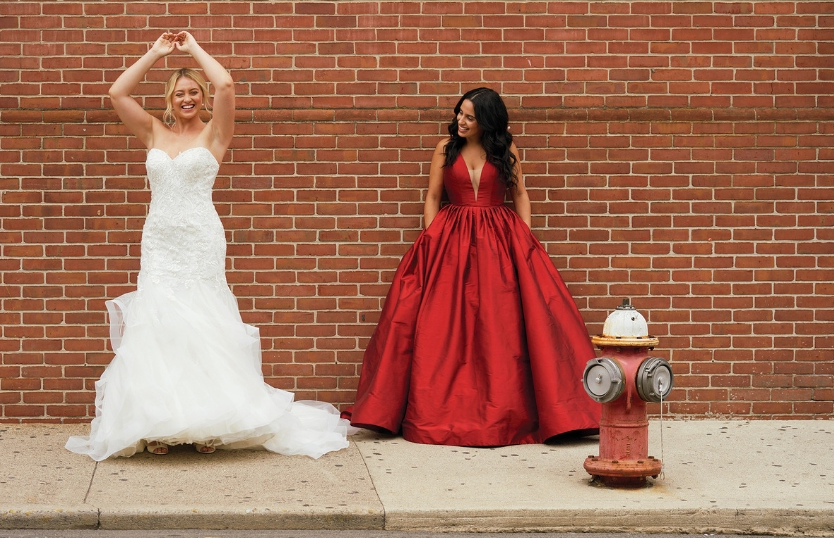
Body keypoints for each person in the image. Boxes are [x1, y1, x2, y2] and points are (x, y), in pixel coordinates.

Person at [66, 32, 350, 461]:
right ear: (169, 98)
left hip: (200, 240)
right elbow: (117, 92)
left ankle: (210, 425)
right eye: (180, 93)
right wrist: (157, 53)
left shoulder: (216, 135)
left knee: (203, 327)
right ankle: (155, 423)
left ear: (201, 98)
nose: (187, 99)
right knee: (160, 329)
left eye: (193, 92)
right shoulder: (152, 132)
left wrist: (193, 48)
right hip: (160, 241)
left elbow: (227, 85)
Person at [344, 88, 601, 446]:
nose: (460, 122)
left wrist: (525, 243)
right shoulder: (444, 149)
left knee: (503, 324)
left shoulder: (506, 149)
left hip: (502, 240)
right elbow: (433, 197)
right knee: (441, 324)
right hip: (450, 241)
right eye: (459, 114)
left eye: (469, 117)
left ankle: (517, 412)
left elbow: (520, 195)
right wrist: (431, 240)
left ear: (487, 122)